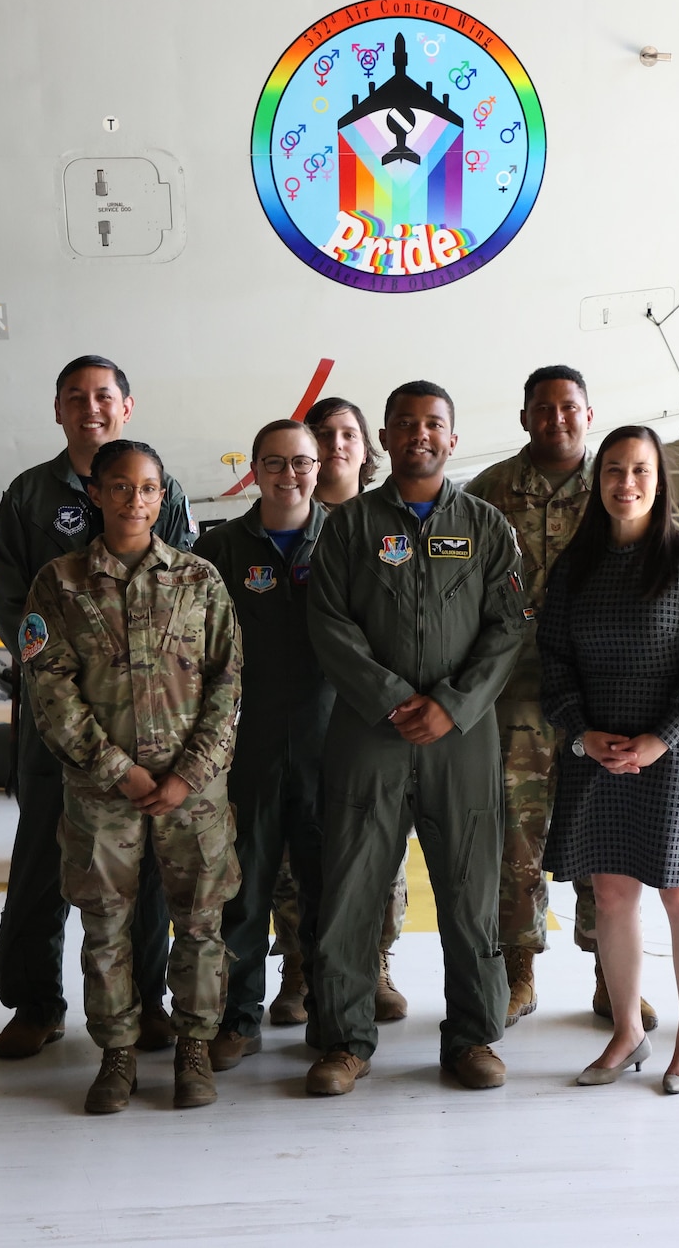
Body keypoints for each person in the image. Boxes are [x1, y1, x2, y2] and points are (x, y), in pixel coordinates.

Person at [302, 381, 528, 1095]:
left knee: (469, 888)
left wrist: (453, 706)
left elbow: (509, 626)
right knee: (351, 888)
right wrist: (396, 699)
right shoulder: (347, 528)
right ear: (386, 440)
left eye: (433, 424)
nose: (419, 434)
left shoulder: (488, 527)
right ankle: (343, 1040)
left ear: (453, 439)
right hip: (371, 732)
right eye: (405, 424)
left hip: (461, 738)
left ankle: (472, 1037)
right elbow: (328, 623)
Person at [20, 439, 242, 1113]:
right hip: (101, 795)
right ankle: (116, 1055)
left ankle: (194, 1048)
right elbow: (49, 687)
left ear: (162, 496)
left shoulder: (199, 579)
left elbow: (227, 682)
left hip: (192, 792)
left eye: (148, 488)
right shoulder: (58, 584)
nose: (135, 500)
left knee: (201, 923)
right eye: (121, 487)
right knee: (105, 926)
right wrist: (118, 771)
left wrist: (187, 774)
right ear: (96, 493)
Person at [0, 355, 196, 1061]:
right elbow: (14, 613)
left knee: (142, 867)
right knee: (43, 858)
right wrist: (72, 691)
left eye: (104, 396)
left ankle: (147, 1002)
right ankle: (35, 1002)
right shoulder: (27, 497)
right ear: (57, 411)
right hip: (57, 718)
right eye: (74, 397)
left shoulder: (160, 487)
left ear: (127, 407)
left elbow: (182, 591)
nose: (90, 407)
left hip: (144, 719)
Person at [539, 426, 679, 1095]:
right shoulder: (574, 569)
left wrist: (662, 736)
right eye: (612, 470)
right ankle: (627, 1031)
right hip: (597, 753)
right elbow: (552, 662)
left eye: (640, 471)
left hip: (675, 751)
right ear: (597, 480)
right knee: (610, 895)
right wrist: (582, 731)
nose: (625, 484)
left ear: (660, 482)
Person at [466, 367, 659, 1032]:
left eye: (569, 408)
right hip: (515, 689)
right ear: (524, 417)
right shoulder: (488, 492)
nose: (556, 420)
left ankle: (612, 976)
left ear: (589, 412)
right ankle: (519, 971)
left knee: (601, 830)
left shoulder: (618, 486)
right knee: (516, 832)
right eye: (543, 410)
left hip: (602, 687)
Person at [265, 395, 410, 1028]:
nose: (335, 445)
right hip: (303, 712)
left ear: (365, 447)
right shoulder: (291, 523)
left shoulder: (391, 524)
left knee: (379, 847)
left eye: (348, 433)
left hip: (374, 713)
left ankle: (374, 962)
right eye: (323, 435)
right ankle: (297, 967)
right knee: (296, 857)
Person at [194, 420, 332, 1070]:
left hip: (327, 739)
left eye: (301, 462)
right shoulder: (222, 547)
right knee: (242, 890)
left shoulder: (345, 538)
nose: (289, 474)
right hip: (246, 744)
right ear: (254, 469)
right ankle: (238, 1018)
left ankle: (332, 1018)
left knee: (326, 888)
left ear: (318, 465)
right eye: (274, 463)